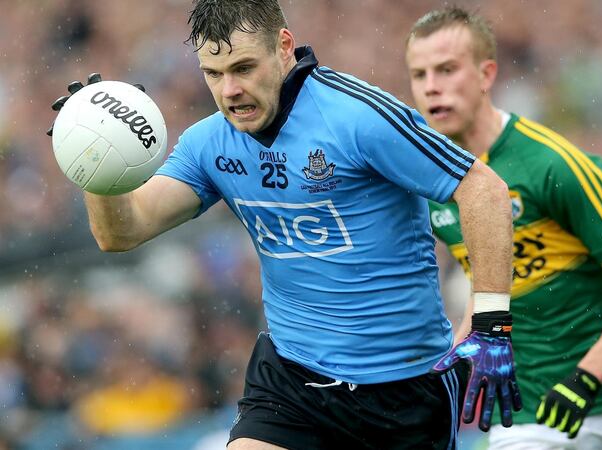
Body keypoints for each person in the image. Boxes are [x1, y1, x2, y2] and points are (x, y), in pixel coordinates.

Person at [47, 1, 523, 449]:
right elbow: (122, 232)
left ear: (283, 47)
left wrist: (491, 322)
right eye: (213, 74)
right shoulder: (208, 143)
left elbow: (483, 189)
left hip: (404, 388)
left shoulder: (359, 117)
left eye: (243, 68)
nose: (229, 89)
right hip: (293, 380)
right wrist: (95, 164)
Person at [405, 7, 602, 450]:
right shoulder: (435, 184)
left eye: (446, 69)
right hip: (525, 404)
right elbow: (489, 285)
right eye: (419, 73)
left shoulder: (553, 165)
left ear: (487, 75)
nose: (431, 86)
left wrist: (587, 377)